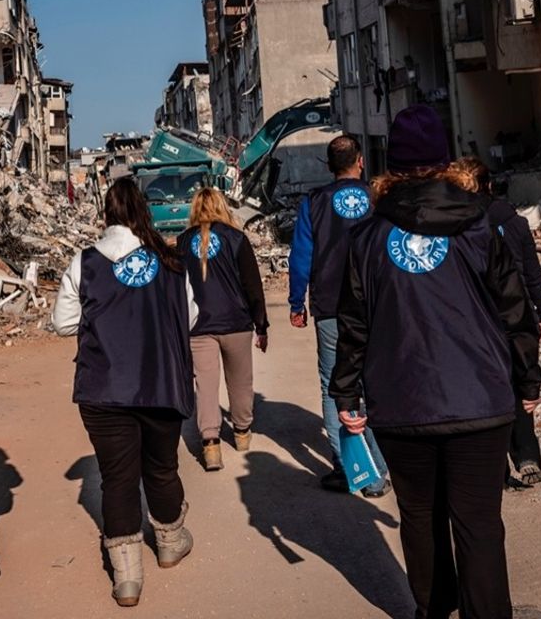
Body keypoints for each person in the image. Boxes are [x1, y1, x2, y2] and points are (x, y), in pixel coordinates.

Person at [331, 105, 541, 618]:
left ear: (391, 165)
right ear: (446, 161)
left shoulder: (367, 238)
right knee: (479, 524)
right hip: (481, 400)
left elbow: (353, 322)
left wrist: (347, 391)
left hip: (403, 404)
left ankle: (435, 610)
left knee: (420, 518)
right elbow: (515, 310)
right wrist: (528, 379)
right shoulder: (479, 227)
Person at [53, 178, 197, 608]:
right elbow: (188, 316)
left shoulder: (85, 263)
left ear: (107, 212)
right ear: (144, 211)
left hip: (104, 387)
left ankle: (128, 576)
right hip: (160, 382)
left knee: (116, 478)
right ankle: (170, 541)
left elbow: (63, 323)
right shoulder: (170, 261)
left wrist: (108, 323)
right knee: (161, 467)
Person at [287, 135, 389, 496]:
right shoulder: (378, 196)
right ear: (360, 161)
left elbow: (301, 256)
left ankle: (352, 469)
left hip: (331, 305)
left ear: (329, 167)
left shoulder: (313, 202)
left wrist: (297, 302)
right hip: (376, 304)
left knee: (334, 386)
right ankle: (382, 467)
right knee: (374, 382)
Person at [463, 157, 541, 487]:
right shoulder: (514, 221)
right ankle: (527, 455)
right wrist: (539, 315)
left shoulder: (464, 227)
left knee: (485, 391)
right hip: (517, 314)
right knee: (520, 387)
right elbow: (532, 272)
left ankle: (496, 467)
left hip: (479, 317)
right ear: (489, 185)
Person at [176, 187, 269, 472]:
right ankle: (241, 433)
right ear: (222, 206)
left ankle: (211, 444)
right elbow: (253, 286)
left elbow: (176, 288)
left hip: (198, 326)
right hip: (236, 323)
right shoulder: (236, 239)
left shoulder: (182, 242)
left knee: (205, 385)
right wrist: (261, 324)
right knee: (240, 381)